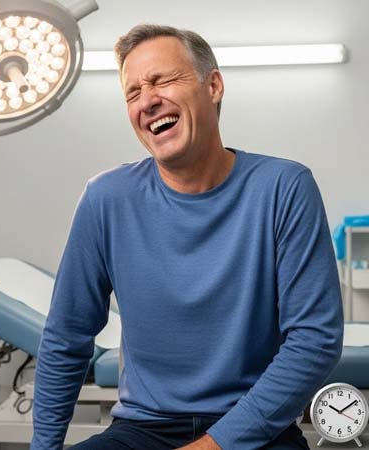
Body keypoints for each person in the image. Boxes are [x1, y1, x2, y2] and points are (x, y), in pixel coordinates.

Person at [31, 24, 343, 450]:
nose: (148, 100)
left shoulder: (284, 188)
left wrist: (215, 445)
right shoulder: (106, 198)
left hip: (254, 430)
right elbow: (66, 337)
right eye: (133, 92)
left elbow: (314, 339)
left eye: (162, 80)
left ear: (213, 85)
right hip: (142, 429)